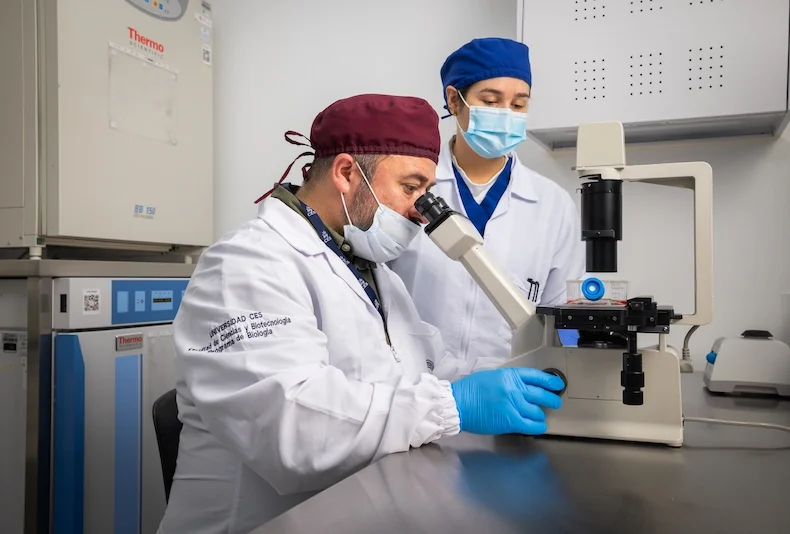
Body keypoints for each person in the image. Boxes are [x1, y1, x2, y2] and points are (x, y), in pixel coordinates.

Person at [157, 93, 566, 534]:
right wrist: (454, 405)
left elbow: (430, 370)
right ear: (347, 173)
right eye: (411, 188)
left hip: (351, 510)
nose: (420, 210)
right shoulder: (246, 264)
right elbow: (292, 427)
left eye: (427, 192)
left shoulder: (373, 273)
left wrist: (518, 381)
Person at [390, 37, 585, 369]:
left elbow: (566, 315)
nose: (506, 115)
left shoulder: (553, 205)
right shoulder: (407, 187)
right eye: (491, 101)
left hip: (513, 389)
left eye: (519, 104)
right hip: (413, 388)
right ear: (454, 100)